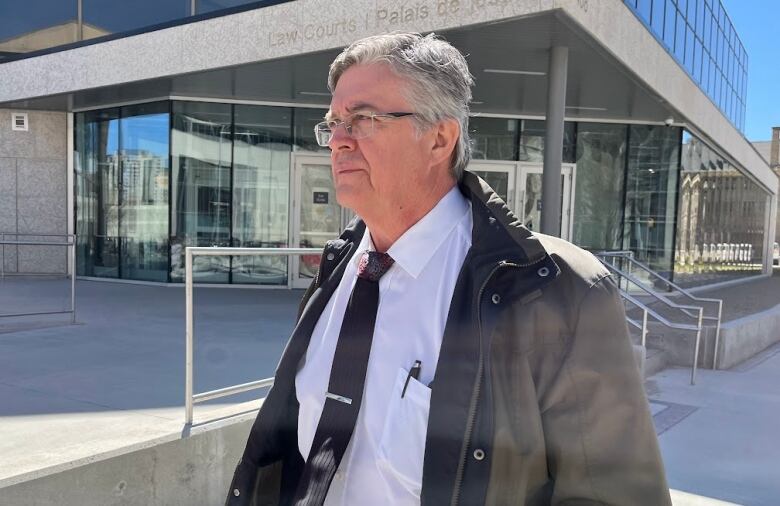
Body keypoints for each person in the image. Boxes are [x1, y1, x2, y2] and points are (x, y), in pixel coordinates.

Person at [226, 32, 672, 506]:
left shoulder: (557, 290)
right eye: (333, 123)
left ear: (440, 138)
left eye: (362, 119)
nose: (337, 141)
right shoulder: (338, 268)